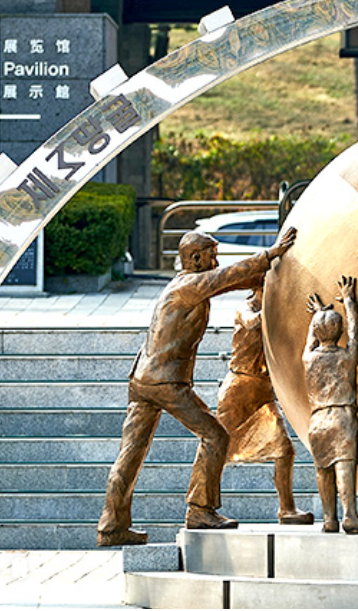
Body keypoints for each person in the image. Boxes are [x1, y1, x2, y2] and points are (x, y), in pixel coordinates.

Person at [97, 227, 297, 547]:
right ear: (195, 258)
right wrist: (268, 255)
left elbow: (226, 281)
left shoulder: (183, 284)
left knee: (130, 453)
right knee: (216, 436)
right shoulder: (189, 285)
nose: (215, 262)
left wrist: (262, 276)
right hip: (165, 382)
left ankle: (111, 526)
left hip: (143, 379)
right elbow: (225, 277)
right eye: (211, 256)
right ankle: (200, 510)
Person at [215, 281, 313, 525]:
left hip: (263, 391)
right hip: (238, 390)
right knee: (216, 450)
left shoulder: (275, 313)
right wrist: (274, 308)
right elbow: (251, 322)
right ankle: (200, 505)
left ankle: (286, 509)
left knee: (285, 450)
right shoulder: (246, 308)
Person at [304, 275, 358, 534]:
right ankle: (350, 516)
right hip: (342, 416)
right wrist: (348, 302)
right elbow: (355, 333)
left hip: (317, 419)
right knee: (344, 465)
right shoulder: (347, 356)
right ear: (339, 332)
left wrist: (317, 316)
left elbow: (310, 340)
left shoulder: (308, 358)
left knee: (323, 469)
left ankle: (329, 519)